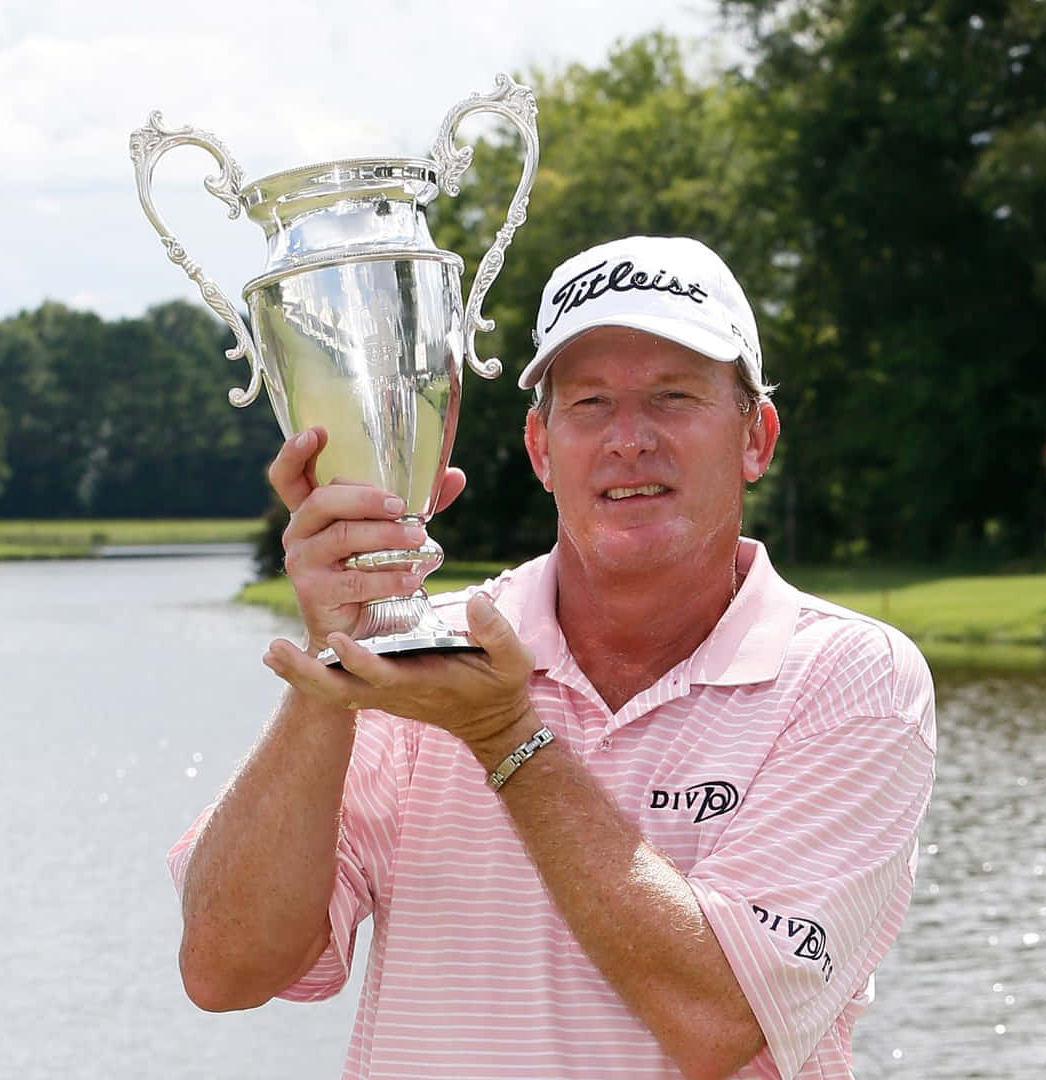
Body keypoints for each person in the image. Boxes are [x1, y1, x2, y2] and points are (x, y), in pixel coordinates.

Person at [167, 235, 937, 1080]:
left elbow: (718, 1019)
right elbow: (224, 970)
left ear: (756, 437)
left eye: (674, 397)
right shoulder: (421, 655)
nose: (629, 439)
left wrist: (507, 738)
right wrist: (333, 668)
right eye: (591, 403)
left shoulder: (851, 679)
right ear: (540, 448)